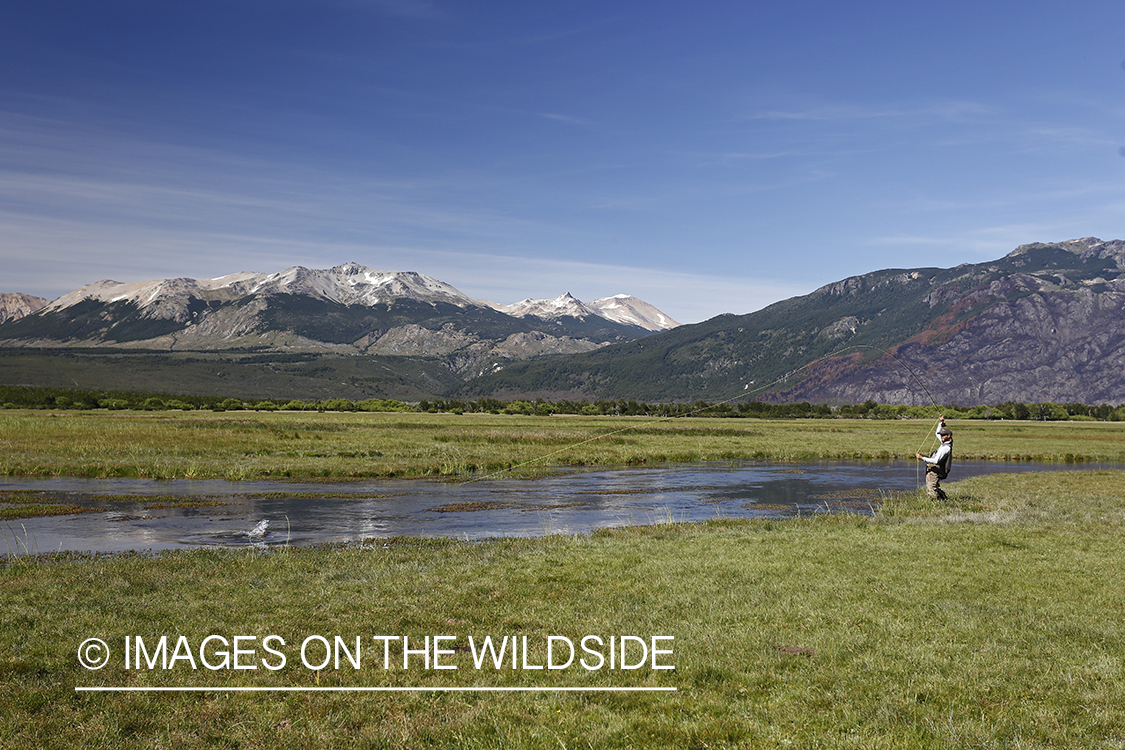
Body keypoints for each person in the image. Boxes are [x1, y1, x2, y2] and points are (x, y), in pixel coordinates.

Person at [915, 416, 953, 500]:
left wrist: (922, 458)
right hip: (934, 469)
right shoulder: (946, 441)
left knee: (931, 489)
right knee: (934, 487)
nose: (941, 436)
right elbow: (936, 433)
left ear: (949, 435)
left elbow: (935, 461)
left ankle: (937, 503)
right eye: (941, 435)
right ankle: (944, 500)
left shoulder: (946, 448)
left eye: (943, 435)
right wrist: (941, 423)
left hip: (936, 470)